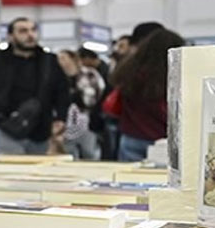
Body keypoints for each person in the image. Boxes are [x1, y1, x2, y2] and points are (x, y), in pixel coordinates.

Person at [0, 19, 71, 155]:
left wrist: (61, 117)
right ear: (11, 36)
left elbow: (62, 91)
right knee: (12, 166)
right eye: (23, 31)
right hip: (4, 125)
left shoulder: (49, 61)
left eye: (33, 30)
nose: (30, 35)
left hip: (40, 129)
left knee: (37, 167)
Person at [109, 28, 185, 161]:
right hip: (163, 141)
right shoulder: (172, 75)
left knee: (128, 174)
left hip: (132, 136)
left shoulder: (129, 70)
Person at [55, 49, 105, 160]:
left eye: (63, 58)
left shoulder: (89, 74)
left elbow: (94, 97)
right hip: (66, 125)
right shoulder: (57, 76)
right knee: (68, 154)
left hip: (88, 122)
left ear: (73, 59)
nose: (60, 61)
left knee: (89, 153)